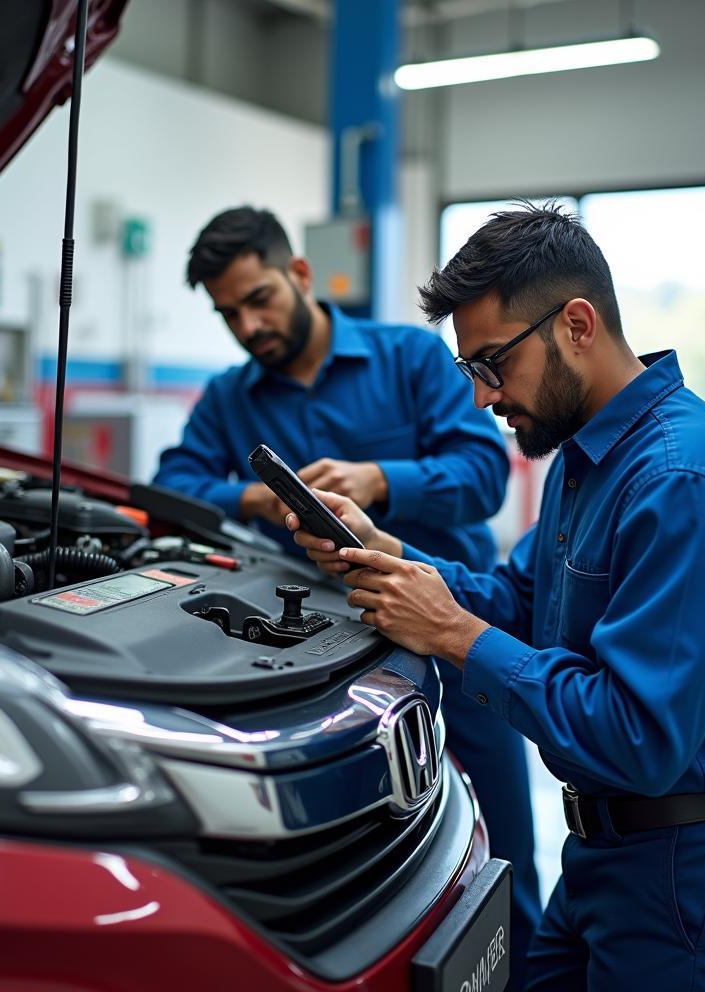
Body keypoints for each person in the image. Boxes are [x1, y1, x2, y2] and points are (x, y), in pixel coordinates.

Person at [288, 202, 705, 991]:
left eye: (492, 364)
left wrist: (456, 637)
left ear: (576, 324)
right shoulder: (586, 455)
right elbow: (522, 599)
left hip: (692, 868)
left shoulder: (680, 482)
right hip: (608, 853)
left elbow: (638, 737)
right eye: (472, 371)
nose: (482, 399)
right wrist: (390, 556)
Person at [155, 206, 543, 987]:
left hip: (453, 635)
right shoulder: (232, 399)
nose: (249, 324)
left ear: (300, 273)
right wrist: (256, 499)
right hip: (329, 662)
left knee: (503, 861)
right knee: (371, 873)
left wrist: (381, 481)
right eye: (230, 313)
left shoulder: (410, 358)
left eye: (259, 297)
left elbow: (483, 475)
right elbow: (170, 486)